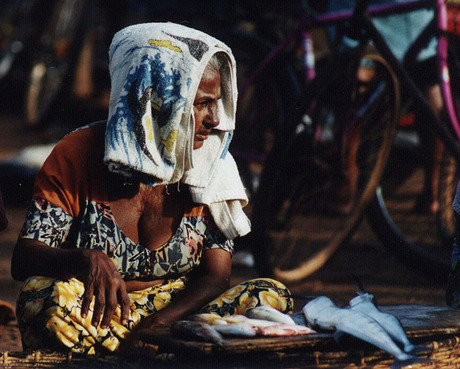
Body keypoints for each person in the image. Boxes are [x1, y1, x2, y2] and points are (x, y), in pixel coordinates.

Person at [10, 23, 293, 356]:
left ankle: (136, 355)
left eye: (215, 103)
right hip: (99, 314)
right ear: (158, 100)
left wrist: (154, 328)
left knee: (271, 295)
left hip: (178, 316)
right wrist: (85, 259)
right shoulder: (78, 154)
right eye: (201, 104)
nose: (214, 119)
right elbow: (25, 260)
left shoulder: (212, 166)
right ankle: (174, 358)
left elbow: (216, 278)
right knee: (41, 299)